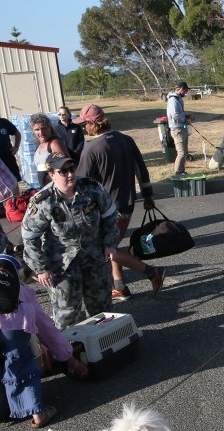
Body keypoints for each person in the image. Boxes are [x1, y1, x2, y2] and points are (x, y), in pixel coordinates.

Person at [0, 255, 87, 428]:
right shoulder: (22, 290)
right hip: (13, 326)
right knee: (21, 362)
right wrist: (71, 360)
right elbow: (47, 330)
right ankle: (38, 414)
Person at [73, 104, 166, 302]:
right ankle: (120, 287)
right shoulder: (126, 139)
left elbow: (79, 183)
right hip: (126, 204)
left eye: (84, 125)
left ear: (92, 124)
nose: (83, 129)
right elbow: (141, 170)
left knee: (104, 249)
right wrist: (148, 195)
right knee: (111, 245)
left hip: (105, 209)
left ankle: (152, 272)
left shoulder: (91, 149)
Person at [21, 153, 119, 330]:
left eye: (71, 169)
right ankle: (70, 352)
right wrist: (41, 268)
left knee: (101, 306)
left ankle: (105, 345)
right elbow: (29, 238)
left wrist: (110, 244)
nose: (69, 174)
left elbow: (110, 215)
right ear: (51, 174)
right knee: (67, 312)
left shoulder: (91, 188)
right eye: (62, 171)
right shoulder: (43, 201)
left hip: (94, 256)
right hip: (61, 263)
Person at [30, 113, 69, 188]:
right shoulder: (39, 145)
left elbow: (65, 167)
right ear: (33, 131)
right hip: (46, 188)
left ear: (50, 128)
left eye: (44, 128)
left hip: (56, 188)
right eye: (37, 129)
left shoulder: (54, 143)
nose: (41, 132)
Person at [167, 81, 190, 176]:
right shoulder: (173, 100)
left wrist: (187, 117)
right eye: (185, 90)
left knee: (185, 152)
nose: (185, 93)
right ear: (180, 88)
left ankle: (182, 171)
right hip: (177, 130)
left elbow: (180, 113)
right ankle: (177, 173)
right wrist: (184, 119)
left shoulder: (179, 99)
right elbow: (175, 114)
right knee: (181, 153)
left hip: (183, 128)